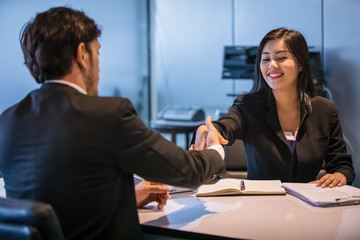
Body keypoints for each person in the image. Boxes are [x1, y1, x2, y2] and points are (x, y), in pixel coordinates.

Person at [0, 7, 226, 240]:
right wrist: (216, 150)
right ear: (82, 54)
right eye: (97, 53)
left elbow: (57, 196)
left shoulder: (7, 121)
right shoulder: (108, 115)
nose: (99, 66)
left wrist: (126, 196)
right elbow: (187, 171)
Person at [193, 28, 355, 188]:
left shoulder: (325, 109)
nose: (272, 65)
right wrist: (206, 130)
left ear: (300, 64)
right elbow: (224, 128)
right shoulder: (248, 105)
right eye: (265, 59)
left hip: (310, 205)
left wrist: (341, 175)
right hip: (261, 204)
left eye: (281, 58)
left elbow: (342, 164)